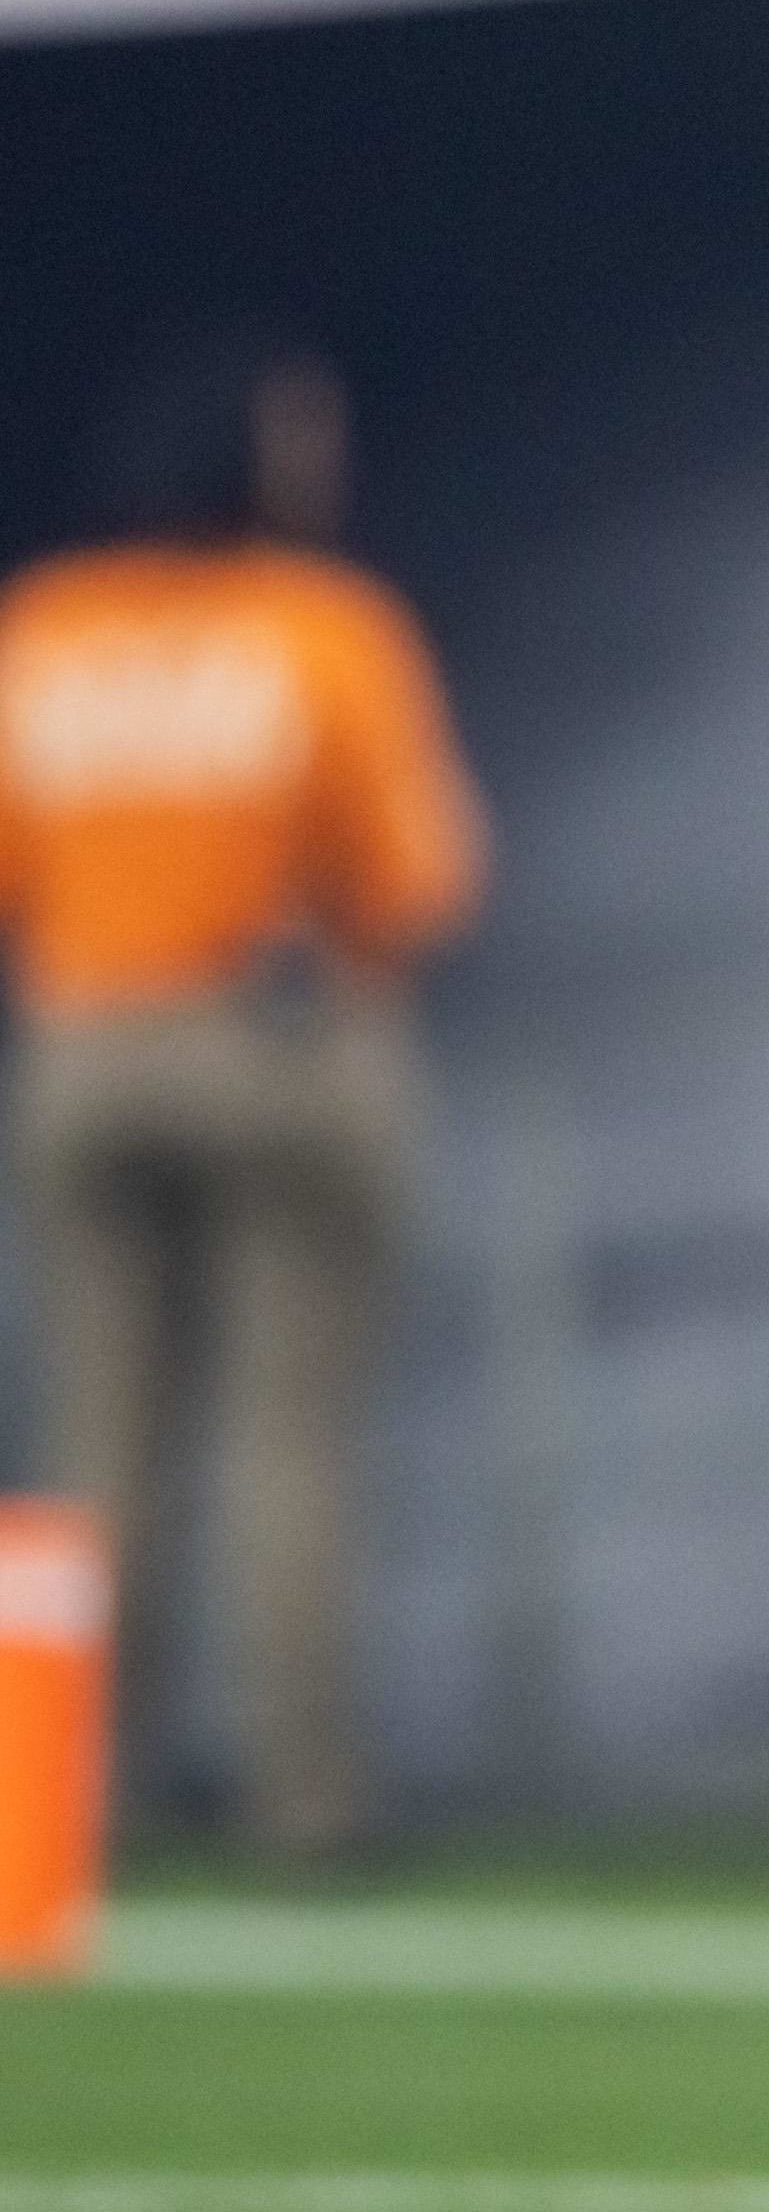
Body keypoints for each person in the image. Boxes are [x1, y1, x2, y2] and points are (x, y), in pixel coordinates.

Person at [0, 330, 485, 1862]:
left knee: (105, 1443)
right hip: (278, 1040)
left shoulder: (46, 631)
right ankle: (304, 1800)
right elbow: (421, 876)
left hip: (89, 1044)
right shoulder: (325, 632)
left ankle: (77, 1799)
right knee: (290, 1439)